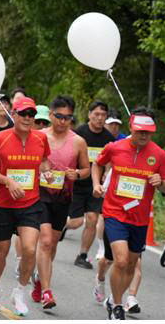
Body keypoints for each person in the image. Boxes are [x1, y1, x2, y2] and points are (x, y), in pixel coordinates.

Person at [91, 108, 165, 320]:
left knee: (132, 264)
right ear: (132, 128)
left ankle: (113, 298)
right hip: (115, 212)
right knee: (121, 261)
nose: (144, 135)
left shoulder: (159, 155)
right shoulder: (115, 148)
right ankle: (116, 305)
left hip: (140, 218)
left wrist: (160, 183)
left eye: (148, 132)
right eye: (140, 131)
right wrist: (96, 184)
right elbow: (97, 164)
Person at [0, 97, 53, 317]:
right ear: (14, 114)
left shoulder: (41, 139)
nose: (27, 118)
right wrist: (7, 181)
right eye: (23, 114)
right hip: (3, 204)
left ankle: (19, 292)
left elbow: (43, 161)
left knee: (30, 249)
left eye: (31, 115)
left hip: (30, 202)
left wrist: (46, 172)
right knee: (1, 252)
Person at [31, 96, 89, 309]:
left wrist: (77, 174)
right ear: (51, 115)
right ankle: (47, 292)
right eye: (59, 116)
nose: (63, 121)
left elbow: (86, 170)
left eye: (68, 117)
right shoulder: (38, 136)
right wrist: (40, 170)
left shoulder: (78, 142)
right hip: (40, 196)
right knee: (45, 241)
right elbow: (28, 161)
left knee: (52, 244)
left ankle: (39, 280)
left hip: (63, 197)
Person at [66, 101, 115, 269]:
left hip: (95, 186)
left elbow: (110, 160)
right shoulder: (79, 133)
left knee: (93, 219)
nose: (99, 118)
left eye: (103, 115)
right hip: (77, 183)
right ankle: (63, 225)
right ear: (89, 115)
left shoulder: (109, 138)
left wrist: (106, 175)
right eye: (96, 114)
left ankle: (83, 255)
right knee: (76, 222)